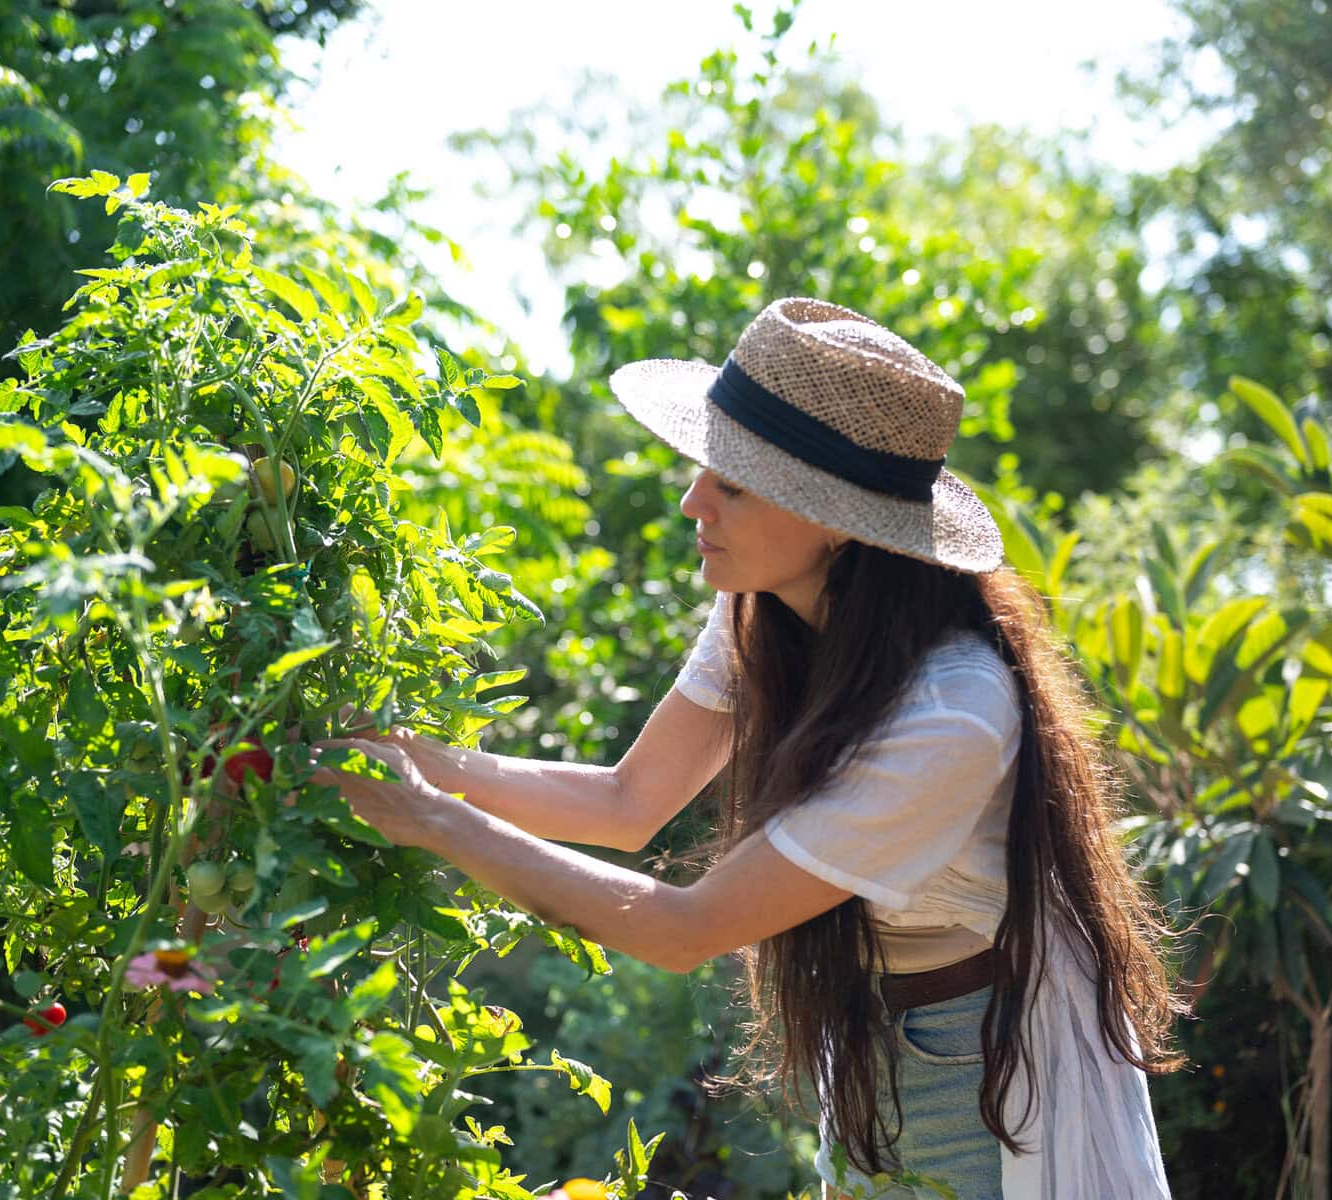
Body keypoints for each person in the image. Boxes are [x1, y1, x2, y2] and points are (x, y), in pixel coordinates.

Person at [310, 297, 1186, 1198]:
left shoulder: (951, 716)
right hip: (877, 1045)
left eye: (730, 483)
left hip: (984, 1068)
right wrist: (400, 755)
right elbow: (624, 803)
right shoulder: (763, 615)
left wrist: (429, 821)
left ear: (837, 519)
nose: (694, 501)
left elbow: (685, 929)